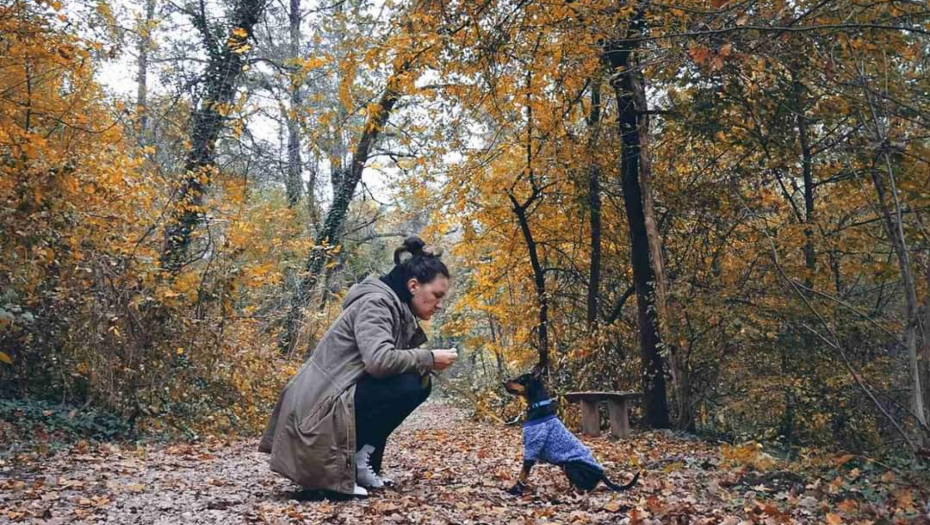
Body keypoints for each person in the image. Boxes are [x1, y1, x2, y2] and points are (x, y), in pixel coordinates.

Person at [258, 236, 458, 497]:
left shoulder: (393, 306)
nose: (440, 304)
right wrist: (428, 358)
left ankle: (360, 461)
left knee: (419, 381)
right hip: (316, 409)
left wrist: (423, 363)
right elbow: (379, 362)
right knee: (409, 383)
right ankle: (345, 467)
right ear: (413, 286)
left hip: (331, 399)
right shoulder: (377, 303)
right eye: (437, 295)